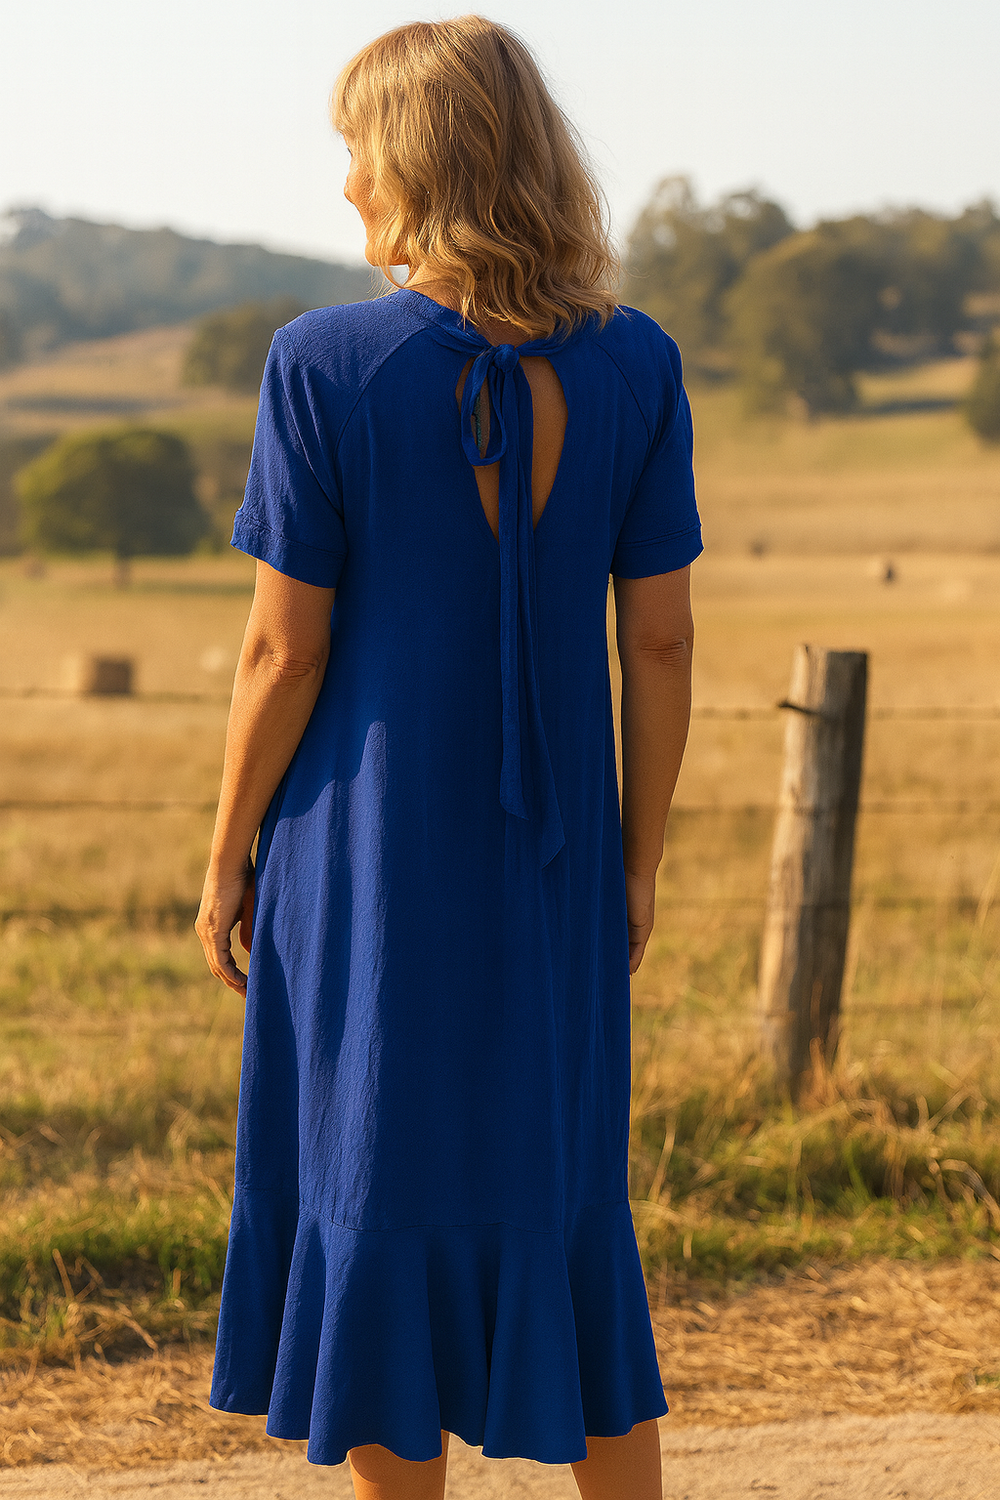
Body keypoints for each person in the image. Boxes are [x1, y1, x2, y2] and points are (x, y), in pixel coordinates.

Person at [195, 15, 700, 1500]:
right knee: (567, 1210)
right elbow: (662, 643)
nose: (347, 182)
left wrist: (225, 858)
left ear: (414, 165)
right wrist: (636, 863)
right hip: (557, 865)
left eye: (358, 151)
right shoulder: (637, 363)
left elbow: (282, 655)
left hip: (365, 863)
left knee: (371, 1197)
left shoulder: (322, 364)